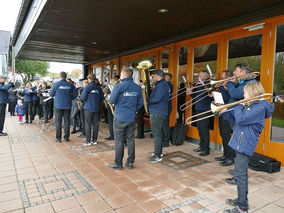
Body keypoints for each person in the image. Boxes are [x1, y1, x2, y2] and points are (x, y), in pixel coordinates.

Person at [223, 81, 274, 213]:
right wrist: (225, 112)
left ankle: (242, 207)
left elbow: (241, 119)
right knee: (240, 173)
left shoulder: (260, 107)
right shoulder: (251, 105)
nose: (243, 95)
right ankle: (241, 200)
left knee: (240, 175)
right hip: (240, 141)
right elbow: (236, 123)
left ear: (252, 93)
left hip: (245, 144)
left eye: (245, 93)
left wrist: (238, 106)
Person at [108, 67, 143, 170]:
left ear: (123, 75)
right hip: (131, 117)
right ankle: (130, 162)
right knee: (131, 139)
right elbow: (141, 103)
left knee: (119, 141)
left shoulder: (118, 87)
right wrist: (133, 110)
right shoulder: (137, 88)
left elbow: (111, 101)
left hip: (119, 117)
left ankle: (118, 164)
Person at [187, 70, 213, 156]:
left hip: (205, 109)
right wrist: (190, 93)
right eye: (198, 76)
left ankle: (206, 149)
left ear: (206, 77)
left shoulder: (209, 84)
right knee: (200, 129)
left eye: (201, 76)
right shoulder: (198, 85)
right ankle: (201, 146)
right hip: (198, 108)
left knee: (204, 130)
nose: (199, 78)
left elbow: (211, 97)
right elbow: (195, 97)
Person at [148, 69, 170, 163]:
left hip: (158, 111)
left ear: (158, 76)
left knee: (156, 133)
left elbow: (156, 99)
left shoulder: (162, 85)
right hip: (159, 111)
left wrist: (147, 99)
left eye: (154, 76)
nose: (153, 78)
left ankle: (157, 155)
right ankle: (158, 152)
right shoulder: (161, 84)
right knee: (158, 133)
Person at [215, 70, 235, 166]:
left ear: (228, 78)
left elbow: (227, 99)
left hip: (228, 115)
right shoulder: (224, 86)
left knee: (227, 136)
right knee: (223, 135)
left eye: (223, 78)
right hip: (222, 113)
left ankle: (230, 157)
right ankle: (225, 154)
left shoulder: (231, 87)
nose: (221, 79)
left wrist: (223, 88)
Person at [50, 72, 76, 142]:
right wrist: (69, 97)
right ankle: (66, 137)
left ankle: (58, 138)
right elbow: (75, 95)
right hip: (67, 105)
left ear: (60, 76)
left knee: (58, 122)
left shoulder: (56, 84)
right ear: (66, 76)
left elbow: (51, 94)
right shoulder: (70, 85)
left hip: (58, 105)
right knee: (67, 122)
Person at [80, 74, 104, 146]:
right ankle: (94, 140)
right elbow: (102, 98)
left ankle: (88, 141)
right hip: (96, 108)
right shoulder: (99, 88)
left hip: (88, 108)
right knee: (96, 124)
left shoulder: (87, 88)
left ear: (89, 79)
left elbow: (82, 98)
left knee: (88, 124)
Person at [163, 73, 173, 147]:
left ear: (167, 78)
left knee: (165, 124)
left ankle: (166, 140)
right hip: (165, 107)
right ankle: (164, 139)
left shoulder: (168, 85)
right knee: (164, 124)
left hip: (166, 107)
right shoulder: (166, 84)